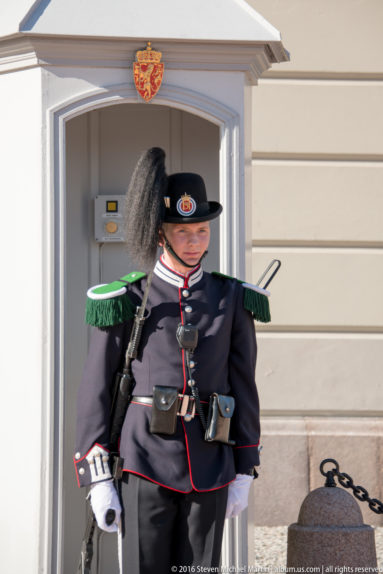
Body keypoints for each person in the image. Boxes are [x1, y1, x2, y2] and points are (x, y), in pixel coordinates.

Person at [74, 147, 269, 574]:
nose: (197, 242)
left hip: (212, 463)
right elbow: (96, 391)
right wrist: (99, 477)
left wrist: (245, 468)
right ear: (161, 235)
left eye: (203, 231)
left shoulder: (232, 298)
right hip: (145, 461)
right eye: (185, 233)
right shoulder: (125, 298)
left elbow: (243, 387)